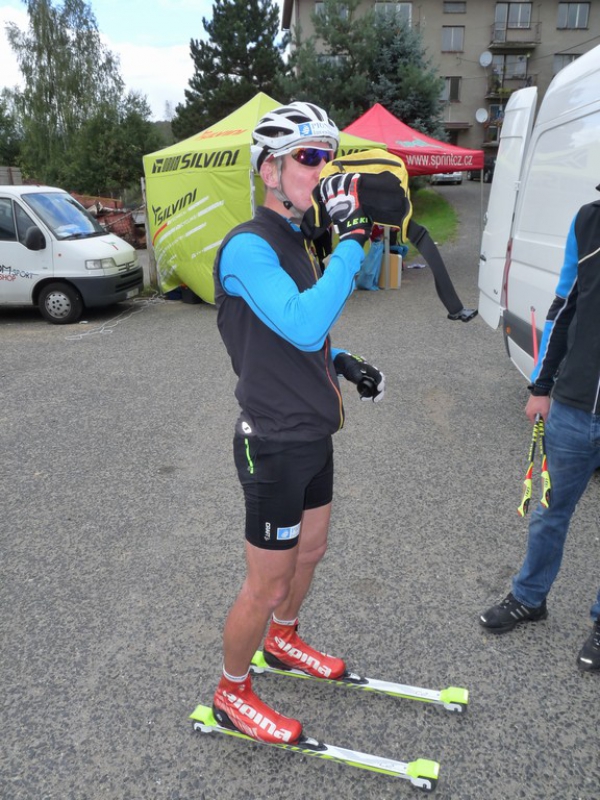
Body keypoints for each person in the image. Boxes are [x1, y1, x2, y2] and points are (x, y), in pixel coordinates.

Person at [211, 101, 386, 743]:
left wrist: (342, 361)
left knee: (310, 552)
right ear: (269, 171)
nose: (322, 169)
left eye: (327, 157)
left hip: (313, 434)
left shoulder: (296, 240)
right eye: (308, 157)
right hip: (273, 441)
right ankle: (231, 692)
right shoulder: (247, 246)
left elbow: (298, 338)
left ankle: (282, 640)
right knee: (267, 582)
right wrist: (350, 242)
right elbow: (302, 322)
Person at [479, 193, 600, 673]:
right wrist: (542, 385)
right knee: (549, 512)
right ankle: (529, 597)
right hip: (573, 405)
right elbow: (564, 306)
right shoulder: (589, 219)